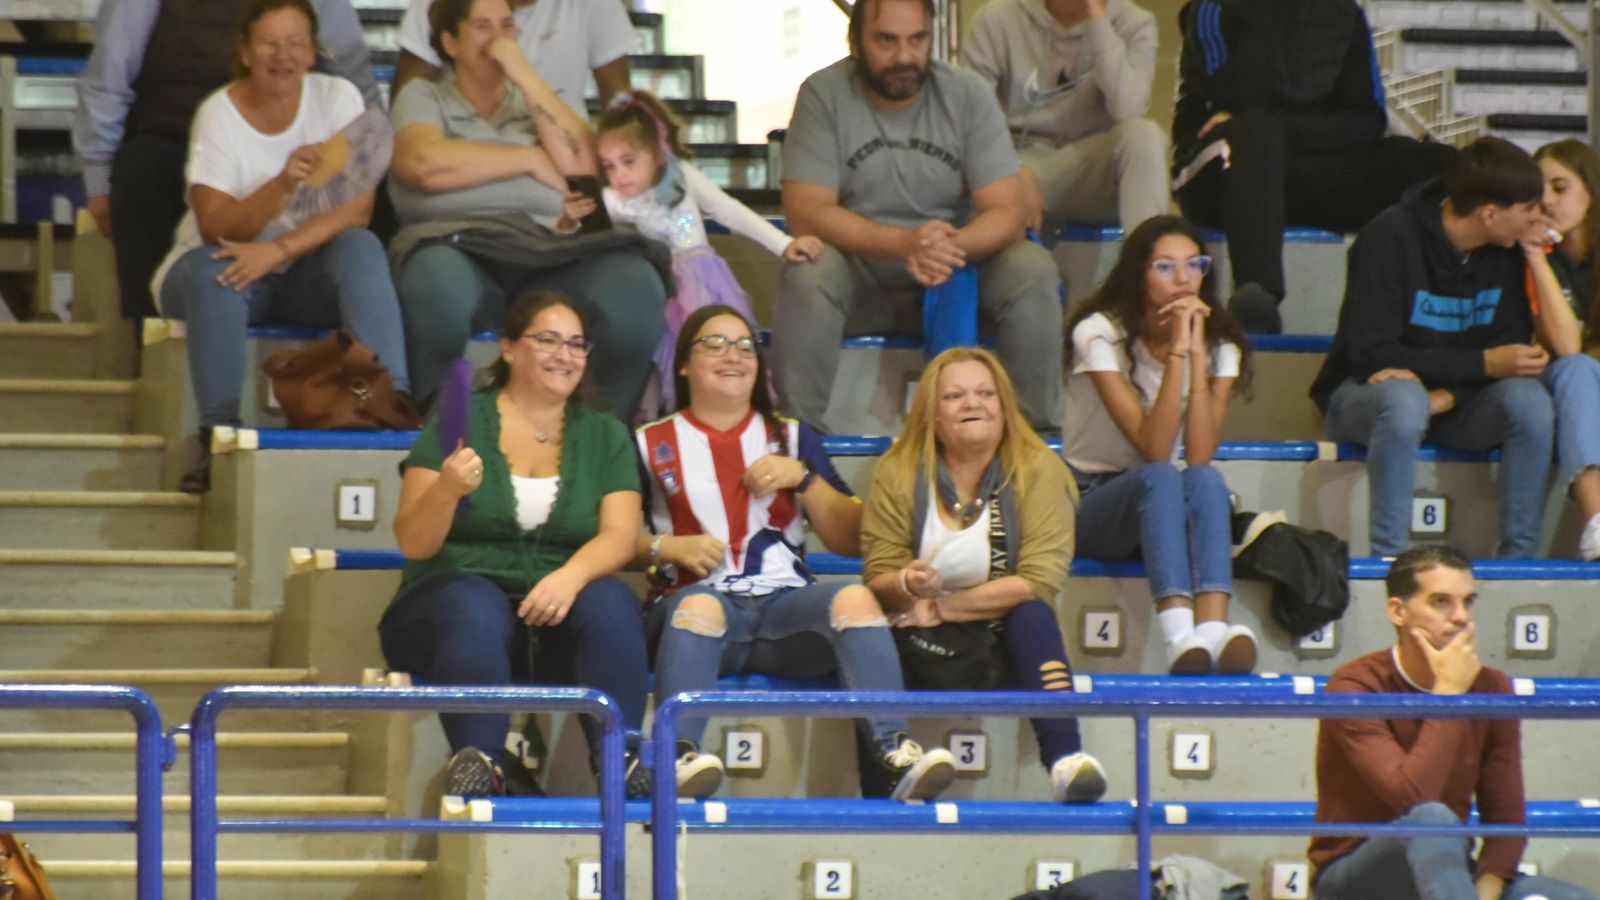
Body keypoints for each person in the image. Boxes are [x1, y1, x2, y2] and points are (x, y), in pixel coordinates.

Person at [638, 305, 958, 800]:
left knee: (855, 599)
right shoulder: (648, 441)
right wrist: (666, 545)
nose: (734, 356)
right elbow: (614, 540)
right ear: (683, 364)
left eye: (746, 346)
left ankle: (894, 754)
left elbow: (851, 539)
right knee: (700, 607)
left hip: (786, 616)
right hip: (696, 613)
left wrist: (804, 479)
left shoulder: (791, 436)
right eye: (715, 344)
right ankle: (674, 757)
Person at [380, 292, 651, 798]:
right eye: (547, 340)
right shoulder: (459, 422)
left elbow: (620, 536)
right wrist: (446, 491)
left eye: (577, 344)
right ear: (507, 349)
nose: (564, 355)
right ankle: (479, 761)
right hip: (450, 617)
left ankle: (624, 761)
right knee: (473, 603)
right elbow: (413, 542)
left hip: (552, 612)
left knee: (611, 600)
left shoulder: (607, 433)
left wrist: (569, 577)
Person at [773, 0, 1066, 432]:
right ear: (855, 41)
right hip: (861, 281)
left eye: (917, 40)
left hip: (957, 275)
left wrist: (950, 248)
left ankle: (1031, 443)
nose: (904, 57)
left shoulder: (967, 95)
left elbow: (1007, 209)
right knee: (808, 269)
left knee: (1031, 266)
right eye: (886, 41)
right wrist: (905, 244)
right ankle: (799, 445)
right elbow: (806, 212)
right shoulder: (823, 94)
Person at [152, 0, 407, 493]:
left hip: (298, 269)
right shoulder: (218, 114)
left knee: (360, 245)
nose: (282, 55)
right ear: (245, 52)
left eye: (295, 43)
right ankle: (218, 438)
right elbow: (214, 227)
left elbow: (357, 210)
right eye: (269, 43)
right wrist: (281, 185)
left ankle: (393, 407)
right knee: (217, 271)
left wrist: (279, 251)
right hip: (217, 266)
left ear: (314, 51)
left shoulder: (338, 98)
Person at [388, 0, 668, 413]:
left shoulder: (542, 101)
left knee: (635, 284)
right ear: (451, 42)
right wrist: (530, 160)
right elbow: (423, 165)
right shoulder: (424, 96)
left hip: (552, 250)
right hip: (459, 248)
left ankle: (601, 437)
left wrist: (525, 77)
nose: (498, 37)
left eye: (506, 26)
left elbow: (585, 170)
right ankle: (436, 431)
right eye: (482, 26)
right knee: (435, 282)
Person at [861, 348, 1108, 804]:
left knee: (1034, 613)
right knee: (864, 635)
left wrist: (940, 607)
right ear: (932, 415)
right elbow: (878, 572)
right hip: (916, 635)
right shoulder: (897, 472)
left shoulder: (1039, 470)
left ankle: (1066, 761)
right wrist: (906, 583)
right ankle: (888, 778)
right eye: (955, 395)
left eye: (985, 393)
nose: (973, 403)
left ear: (1005, 406)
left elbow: (1038, 579)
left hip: (1002, 634)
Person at [1310, 138, 1555, 559]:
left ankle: (1520, 560)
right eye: (1529, 207)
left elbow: (1509, 358)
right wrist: (1479, 365)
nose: (1538, 217)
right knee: (1403, 400)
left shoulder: (1507, 252)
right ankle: (1390, 559)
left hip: (1454, 405)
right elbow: (1371, 353)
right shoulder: (1389, 236)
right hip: (1363, 399)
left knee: (1529, 401)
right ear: (1489, 213)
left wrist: (1446, 396)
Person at [1310, 546, 1596, 900]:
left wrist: (1486, 892)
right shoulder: (1355, 687)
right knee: (1432, 818)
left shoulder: (1492, 688)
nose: (1462, 617)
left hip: (1448, 876)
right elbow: (1412, 798)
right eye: (1441, 602)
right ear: (1398, 611)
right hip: (1355, 878)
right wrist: (1448, 694)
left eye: (1468, 602)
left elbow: (1506, 820)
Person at [73, 0, 378, 324]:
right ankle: (147, 344)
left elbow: (352, 71)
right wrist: (98, 177)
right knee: (141, 172)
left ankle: (360, 356)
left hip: (290, 137)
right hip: (172, 137)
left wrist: (372, 153)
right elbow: (110, 72)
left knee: (373, 198)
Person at [1172, 0, 1456, 334]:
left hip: (1310, 173)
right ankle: (1256, 295)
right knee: (1256, 132)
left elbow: (1366, 121)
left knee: (1438, 163)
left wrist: (1288, 128)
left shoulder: (1343, 13)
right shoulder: (1212, 9)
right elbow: (1221, 105)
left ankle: (1430, 312)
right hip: (1225, 175)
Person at [1063, 215, 1257, 674]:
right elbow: (1153, 446)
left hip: (1164, 503)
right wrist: (1175, 355)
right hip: (1091, 499)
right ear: (1138, 274)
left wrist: (1193, 352)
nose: (1184, 279)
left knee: (1205, 478)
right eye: (1165, 267)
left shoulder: (1219, 344)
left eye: (1194, 265)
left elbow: (1201, 452)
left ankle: (1211, 632)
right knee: (1160, 474)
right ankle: (1178, 637)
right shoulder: (1098, 334)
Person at [579, 92, 821, 416]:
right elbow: (584, 233)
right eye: (609, 166)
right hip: (655, 292)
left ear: (657, 152)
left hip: (703, 285)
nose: (619, 175)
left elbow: (729, 211)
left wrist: (782, 243)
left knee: (709, 351)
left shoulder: (683, 177)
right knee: (658, 369)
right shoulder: (613, 200)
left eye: (628, 161)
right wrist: (570, 219)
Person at [961, 0, 1169, 233]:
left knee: (1146, 135)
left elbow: (1128, 109)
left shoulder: (1135, 23)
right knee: (980, 180)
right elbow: (970, 122)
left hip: (1091, 169)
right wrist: (1014, 168)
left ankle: (1149, 260)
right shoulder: (996, 19)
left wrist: (1099, 22)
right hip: (1019, 168)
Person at [1527, 141, 1600, 560]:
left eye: (1560, 188)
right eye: (1540, 192)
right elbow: (1567, 348)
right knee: (1576, 371)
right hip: (1555, 383)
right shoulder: (1529, 255)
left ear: (1590, 190)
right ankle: (1595, 522)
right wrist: (1536, 258)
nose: (1548, 201)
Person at [391, 0, 634, 112]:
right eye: (483, 26)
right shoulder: (434, 5)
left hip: (563, 160)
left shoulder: (597, 4)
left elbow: (621, 104)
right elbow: (404, 101)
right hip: (460, 155)